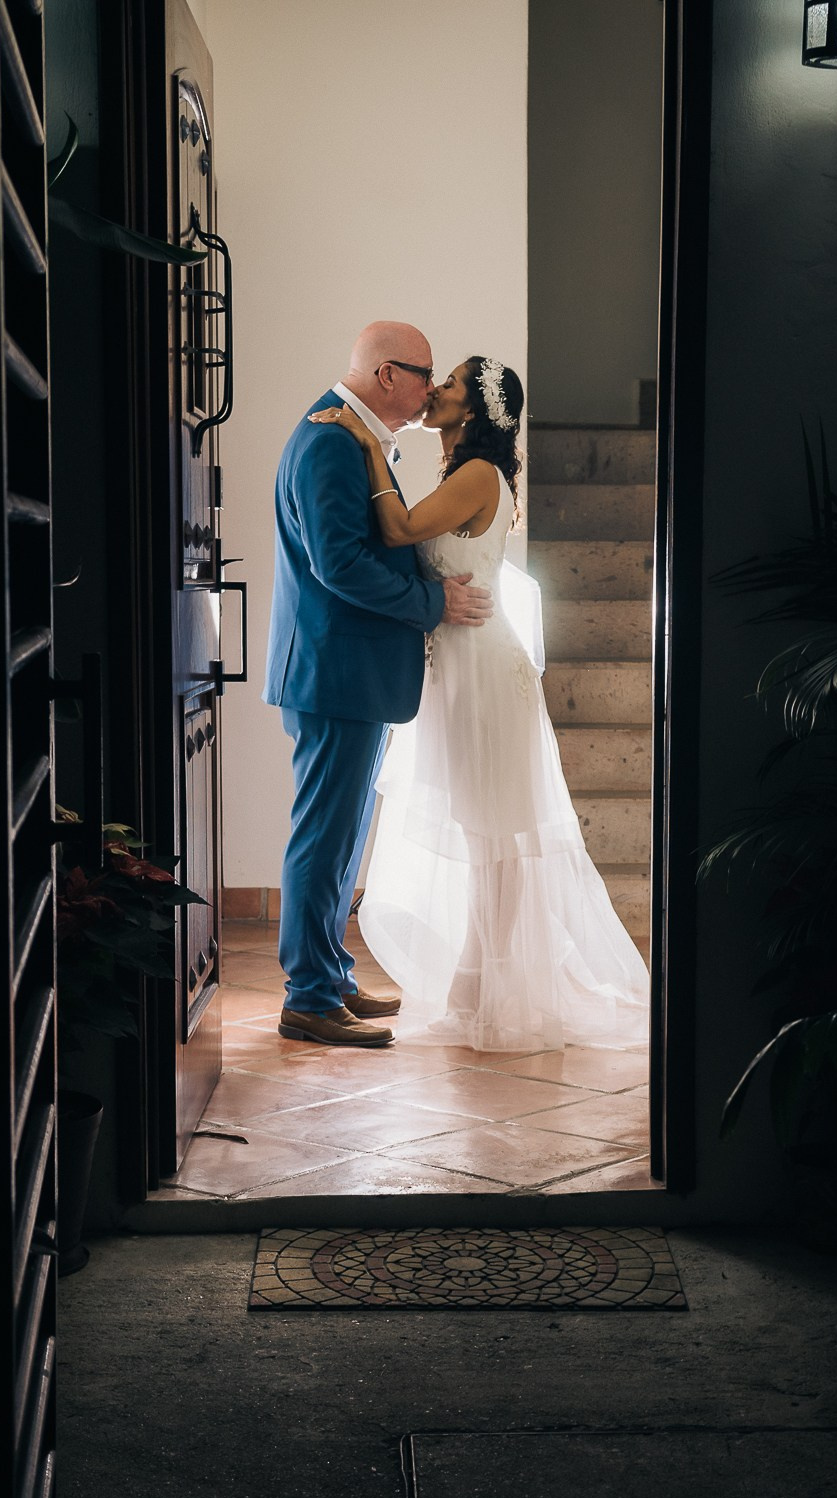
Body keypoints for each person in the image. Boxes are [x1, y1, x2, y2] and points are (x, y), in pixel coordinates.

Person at [309, 355, 651, 1052]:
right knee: (482, 834)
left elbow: (399, 530)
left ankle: (494, 987)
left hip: (485, 669)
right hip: (460, 666)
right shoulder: (463, 472)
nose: (435, 389)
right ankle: (477, 980)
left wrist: (369, 442)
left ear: (473, 410)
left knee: (497, 837)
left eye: (451, 383)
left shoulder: (476, 475)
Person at [265, 322, 494, 1048]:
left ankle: (329, 977)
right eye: (425, 373)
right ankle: (308, 997)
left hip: (349, 669)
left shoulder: (353, 438)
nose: (430, 388)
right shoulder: (330, 442)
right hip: (335, 670)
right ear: (388, 374)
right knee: (324, 836)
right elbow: (338, 564)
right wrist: (433, 603)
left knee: (343, 834)